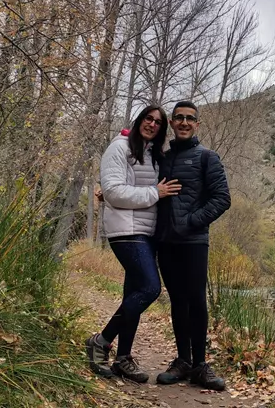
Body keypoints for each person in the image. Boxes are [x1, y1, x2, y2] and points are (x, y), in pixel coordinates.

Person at [86, 105, 181, 382]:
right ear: (139, 119)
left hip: (146, 232)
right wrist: (156, 192)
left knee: (134, 292)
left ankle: (123, 358)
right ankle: (101, 342)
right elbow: (114, 192)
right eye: (148, 119)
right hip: (125, 231)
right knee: (151, 289)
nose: (152, 124)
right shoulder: (119, 147)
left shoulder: (152, 153)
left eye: (158, 122)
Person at [154, 101, 231, 391]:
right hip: (166, 242)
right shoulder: (162, 157)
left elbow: (222, 199)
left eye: (190, 119)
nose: (184, 122)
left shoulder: (207, 158)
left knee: (197, 301)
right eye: (179, 118)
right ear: (172, 124)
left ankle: (200, 365)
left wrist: (189, 222)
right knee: (177, 301)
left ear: (197, 125)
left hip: (194, 241)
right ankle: (183, 361)